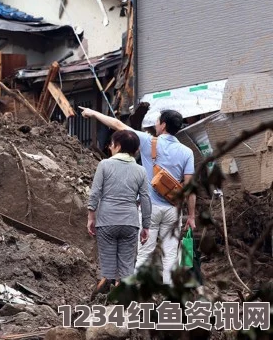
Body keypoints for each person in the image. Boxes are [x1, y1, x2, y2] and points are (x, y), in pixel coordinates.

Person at [80, 107, 196, 286]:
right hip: (174, 209)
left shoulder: (149, 142)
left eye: (157, 121)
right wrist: (192, 216)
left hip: (150, 208)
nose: (155, 124)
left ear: (163, 125)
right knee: (171, 254)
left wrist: (93, 113)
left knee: (144, 253)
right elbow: (189, 187)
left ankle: (137, 298)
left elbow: (118, 125)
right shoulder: (187, 152)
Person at [88, 130, 151, 293]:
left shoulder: (104, 165)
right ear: (136, 151)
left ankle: (106, 282)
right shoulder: (141, 171)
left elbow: (95, 192)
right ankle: (121, 288)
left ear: (118, 146)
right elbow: (145, 199)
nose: (109, 147)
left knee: (108, 258)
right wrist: (146, 226)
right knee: (126, 262)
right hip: (130, 221)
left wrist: (91, 216)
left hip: (107, 219)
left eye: (111, 144)